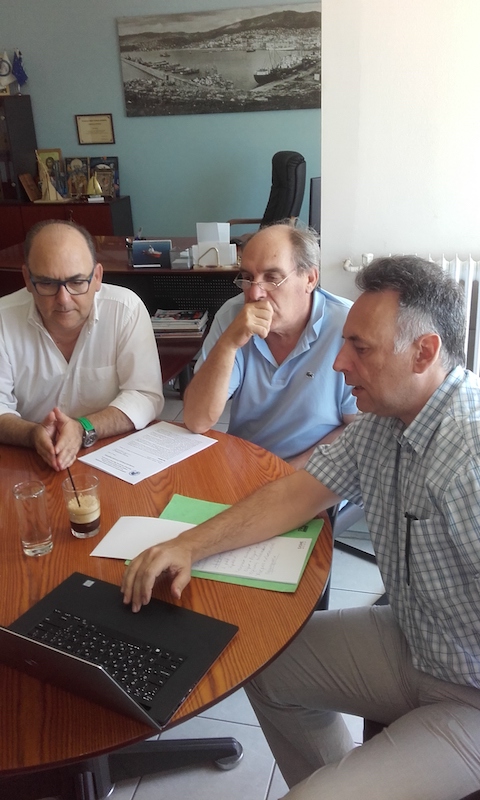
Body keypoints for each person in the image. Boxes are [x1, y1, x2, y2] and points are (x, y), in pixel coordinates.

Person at [122, 255, 480, 799]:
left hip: (469, 695)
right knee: (264, 667)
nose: (339, 362)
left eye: (360, 348)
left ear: (423, 353)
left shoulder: (468, 455)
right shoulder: (383, 424)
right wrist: (187, 544)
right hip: (418, 639)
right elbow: (295, 495)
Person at [183, 223, 357, 468]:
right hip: (246, 464)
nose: (254, 294)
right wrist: (228, 344)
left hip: (314, 471)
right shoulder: (232, 316)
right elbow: (196, 420)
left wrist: (288, 473)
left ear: (310, 279)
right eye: (247, 278)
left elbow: (357, 429)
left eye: (272, 278)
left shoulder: (347, 326)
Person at [0, 219, 164, 471]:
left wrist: (83, 428)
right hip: (30, 457)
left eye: (77, 282)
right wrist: (31, 434)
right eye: (47, 283)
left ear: (97, 277)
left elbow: (145, 395)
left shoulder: (125, 310)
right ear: (28, 280)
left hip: (111, 453)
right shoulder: (3, 318)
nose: (63, 299)